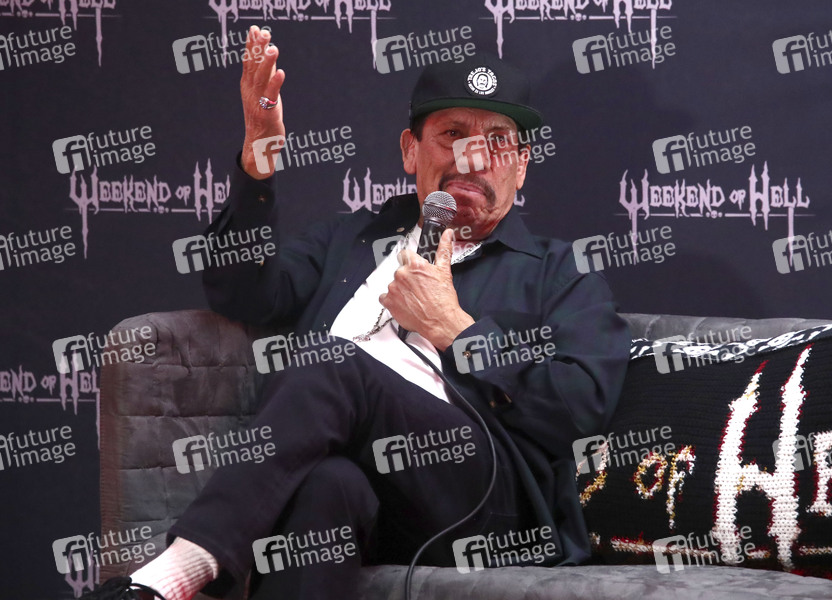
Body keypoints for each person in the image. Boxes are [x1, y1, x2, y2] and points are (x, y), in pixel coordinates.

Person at [88, 26, 630, 600]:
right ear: (410, 151)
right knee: (326, 486)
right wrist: (257, 164)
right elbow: (240, 292)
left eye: (497, 141)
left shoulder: (559, 272)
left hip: (482, 502)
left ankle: (169, 576)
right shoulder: (353, 239)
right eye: (452, 134)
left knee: (332, 361)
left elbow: (579, 408)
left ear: (520, 167)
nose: (473, 155)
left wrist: (456, 331)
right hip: (363, 488)